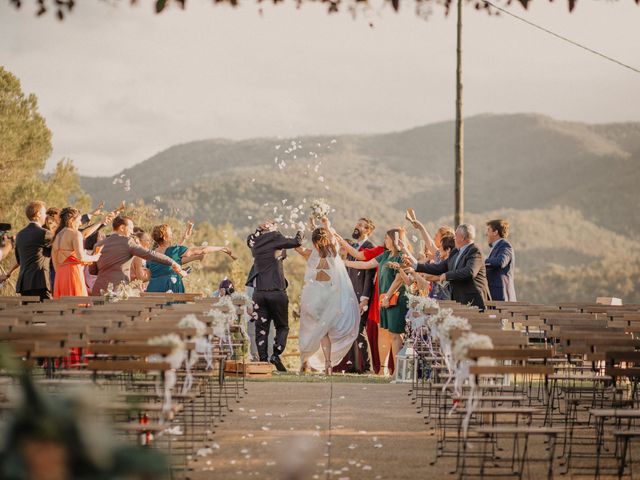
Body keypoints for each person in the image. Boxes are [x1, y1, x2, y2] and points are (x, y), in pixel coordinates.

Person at [296, 217, 359, 375]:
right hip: (330, 297)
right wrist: (326, 225)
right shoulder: (333, 252)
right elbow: (331, 238)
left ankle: (305, 361)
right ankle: (328, 364)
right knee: (325, 331)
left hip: (313, 298)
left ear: (314, 241)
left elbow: (297, 247)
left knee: (312, 330)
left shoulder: (310, 254)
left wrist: (301, 232)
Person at [345, 228, 410, 375]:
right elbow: (364, 264)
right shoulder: (384, 255)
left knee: (396, 335)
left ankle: (398, 371)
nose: (384, 240)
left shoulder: (403, 257)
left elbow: (401, 280)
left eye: (387, 238)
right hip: (383, 300)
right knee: (386, 333)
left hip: (397, 300)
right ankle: (385, 370)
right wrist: (344, 262)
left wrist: (389, 296)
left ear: (394, 240)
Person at [247, 219, 303, 372]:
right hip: (276, 293)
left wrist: (259, 229)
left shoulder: (255, 242)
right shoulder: (275, 237)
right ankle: (276, 353)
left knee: (261, 329)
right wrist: (301, 230)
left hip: (259, 295)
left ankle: (263, 362)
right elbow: (297, 242)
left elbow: (252, 239)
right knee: (282, 326)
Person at [90, 216, 187, 296]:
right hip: (117, 291)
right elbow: (150, 254)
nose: (132, 232)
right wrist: (172, 262)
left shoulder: (98, 245)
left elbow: (92, 271)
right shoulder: (127, 242)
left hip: (98, 290)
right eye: (131, 228)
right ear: (122, 228)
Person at [413, 224, 491, 310]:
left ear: (462, 237)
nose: (454, 238)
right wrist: (415, 265)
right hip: (459, 299)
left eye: (456, 235)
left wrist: (447, 275)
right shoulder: (455, 252)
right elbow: (439, 268)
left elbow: (470, 272)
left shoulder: (475, 251)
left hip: (473, 300)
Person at [335, 217, 376, 374]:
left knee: (358, 330)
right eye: (357, 223)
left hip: (361, 297)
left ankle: (366, 367)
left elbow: (368, 274)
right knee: (351, 330)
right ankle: (354, 365)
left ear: (367, 230)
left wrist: (364, 299)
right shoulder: (354, 247)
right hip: (350, 296)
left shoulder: (369, 247)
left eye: (360, 225)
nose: (356, 226)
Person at [146, 223, 234, 294]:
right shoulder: (174, 251)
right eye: (170, 234)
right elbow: (202, 250)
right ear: (165, 237)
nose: (172, 235)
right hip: (171, 289)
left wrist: (184, 238)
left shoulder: (150, 255)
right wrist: (222, 248)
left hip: (153, 290)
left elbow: (150, 277)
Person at [51, 208, 101, 298]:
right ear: (71, 220)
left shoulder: (57, 236)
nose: (80, 223)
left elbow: (55, 263)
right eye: (79, 220)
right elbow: (81, 257)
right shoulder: (75, 234)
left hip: (60, 276)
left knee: (62, 308)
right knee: (77, 304)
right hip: (73, 274)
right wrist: (95, 257)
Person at [14, 201, 53, 301]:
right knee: (48, 313)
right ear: (38, 214)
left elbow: (19, 260)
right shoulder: (44, 233)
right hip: (40, 281)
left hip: (24, 283)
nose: (46, 216)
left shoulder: (20, 235)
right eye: (44, 213)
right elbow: (61, 244)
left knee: (29, 315)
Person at [485, 219, 517, 302]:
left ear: (495, 232)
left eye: (488, 230)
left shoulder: (505, 246)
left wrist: (482, 261)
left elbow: (501, 262)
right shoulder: (495, 247)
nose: (486, 233)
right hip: (494, 296)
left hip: (502, 296)